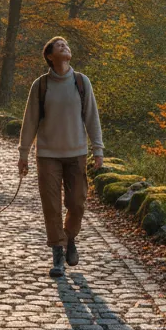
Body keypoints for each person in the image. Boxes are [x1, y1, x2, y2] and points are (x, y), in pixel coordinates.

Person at [18, 36, 105, 276]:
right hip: (47, 155)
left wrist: (98, 149)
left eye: (66, 44)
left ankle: (69, 237)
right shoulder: (41, 85)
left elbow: (92, 117)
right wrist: (23, 153)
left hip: (77, 152)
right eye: (59, 45)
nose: (65, 46)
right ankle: (57, 253)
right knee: (51, 205)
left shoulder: (81, 82)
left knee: (77, 203)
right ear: (49, 56)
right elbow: (30, 121)